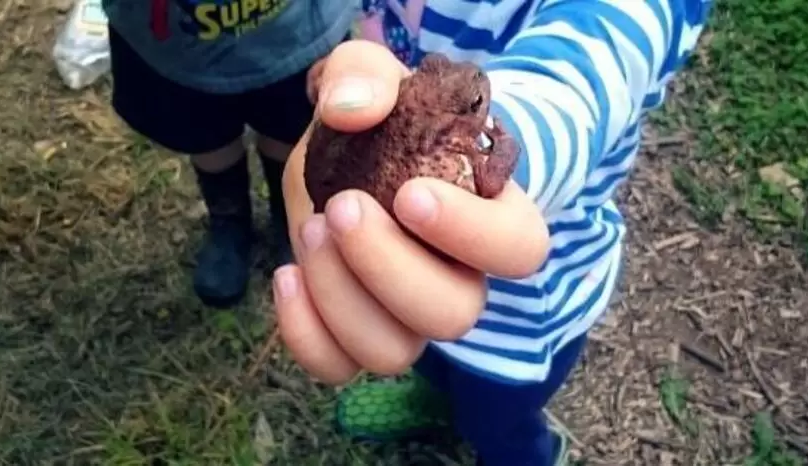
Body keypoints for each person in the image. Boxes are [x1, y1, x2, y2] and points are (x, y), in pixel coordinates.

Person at [277, 1, 714, 465]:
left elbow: (573, 85)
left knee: (497, 420)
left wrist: (508, 138)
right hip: (404, 282)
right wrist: (355, 71)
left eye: (476, 107)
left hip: (524, 315)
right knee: (431, 365)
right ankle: (432, 401)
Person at [100, 0, 353, 308]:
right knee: (204, 131)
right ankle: (229, 220)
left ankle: (287, 219)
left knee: (289, 123)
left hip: (292, 29)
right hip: (177, 43)